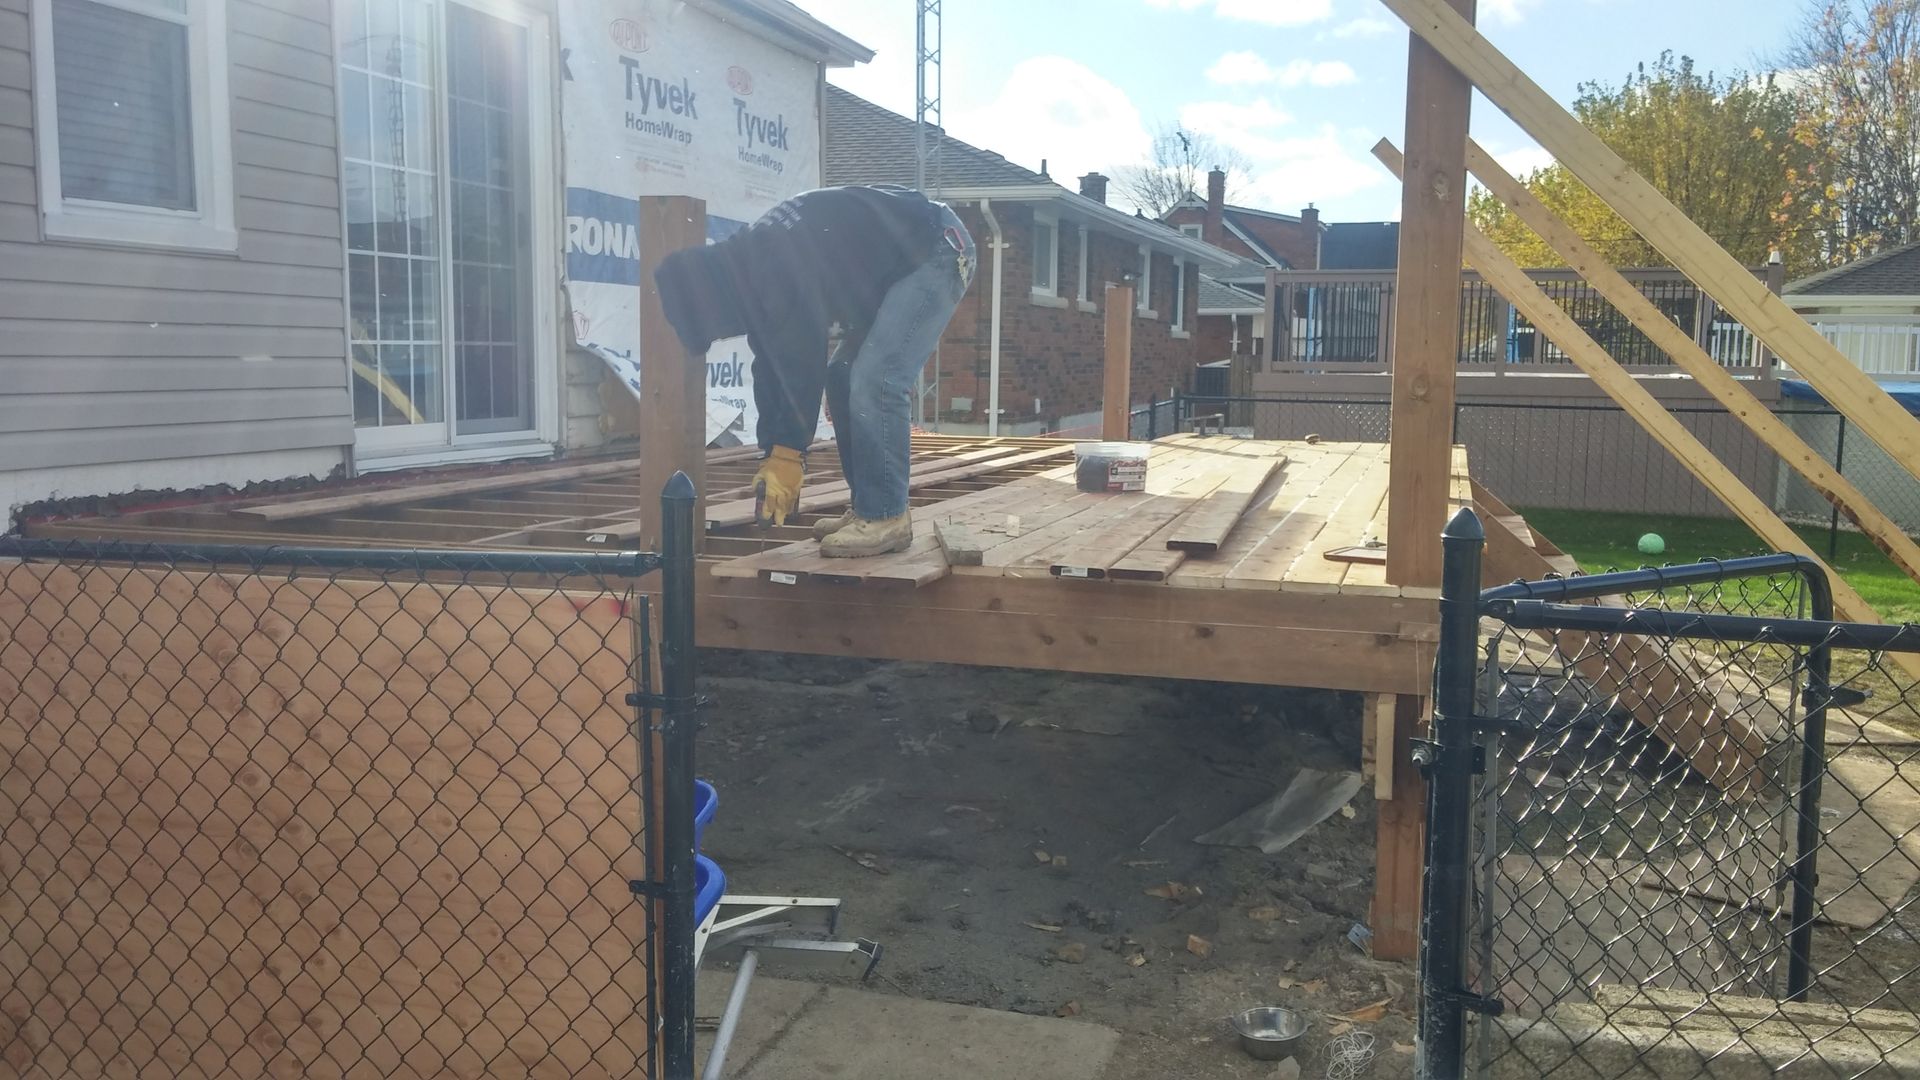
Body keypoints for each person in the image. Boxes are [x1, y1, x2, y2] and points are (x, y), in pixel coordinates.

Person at [655, 185, 975, 558]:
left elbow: (800, 359)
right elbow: (772, 365)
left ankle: (886, 515)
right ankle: (868, 508)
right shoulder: (747, 269)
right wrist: (774, 450)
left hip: (936, 248)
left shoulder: (773, 265)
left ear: (713, 304)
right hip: (904, 257)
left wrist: (789, 453)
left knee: (877, 379)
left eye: (717, 328)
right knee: (842, 376)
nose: (727, 332)